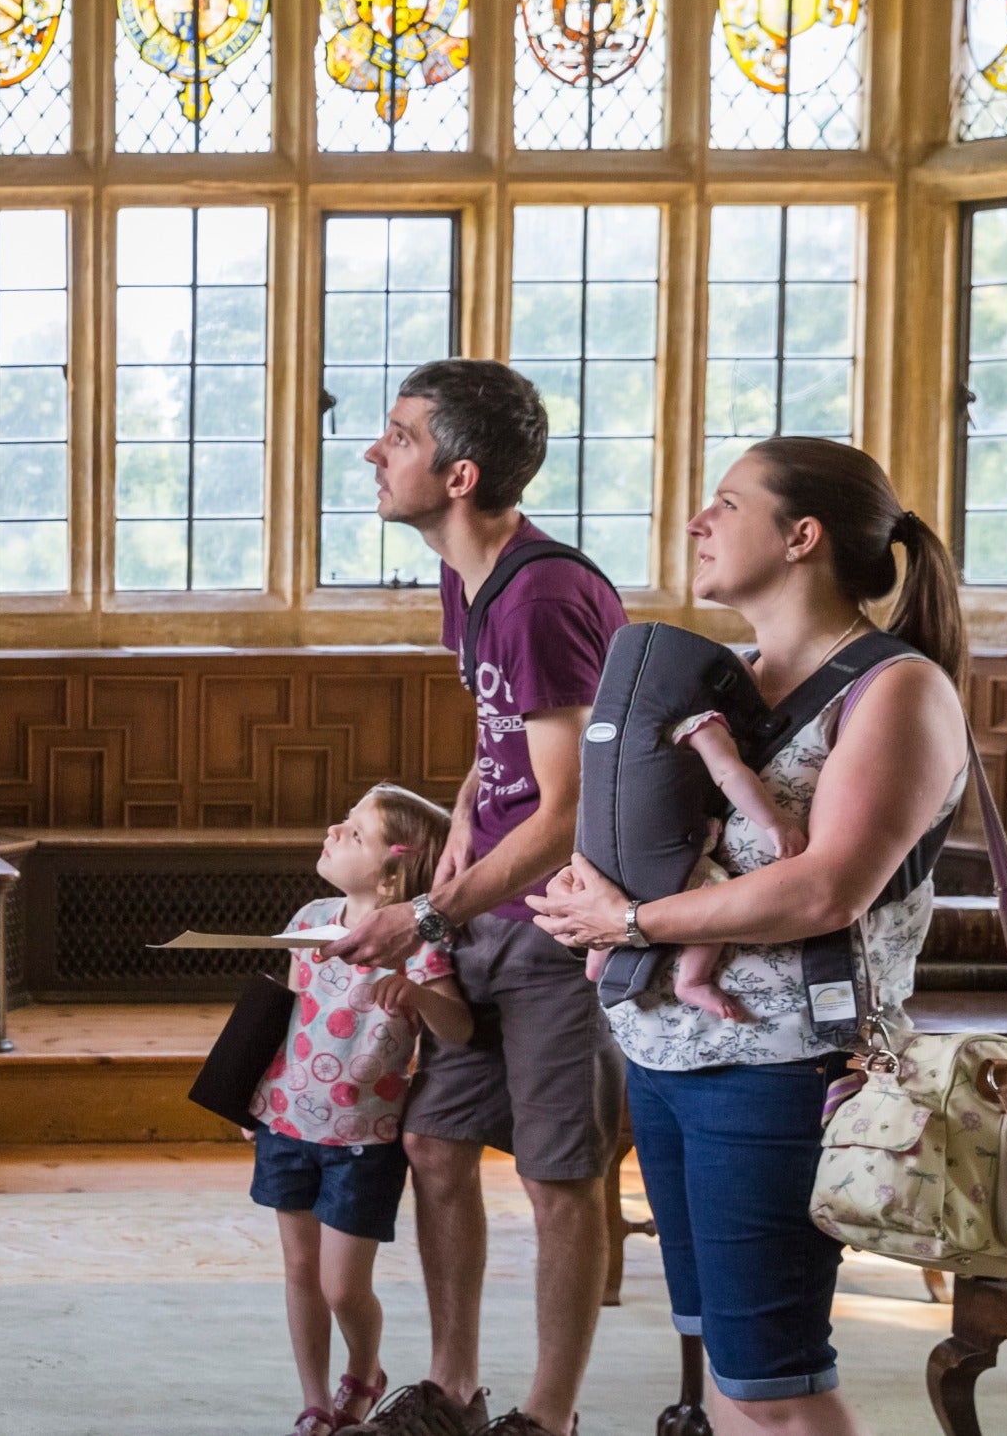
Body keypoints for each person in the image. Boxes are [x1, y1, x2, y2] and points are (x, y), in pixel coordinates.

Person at [533, 440, 971, 1436]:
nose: (697, 521)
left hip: (784, 1065)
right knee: (730, 1374)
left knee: (777, 1387)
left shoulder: (895, 687)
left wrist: (632, 920)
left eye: (725, 503)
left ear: (801, 535)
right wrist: (588, 885)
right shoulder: (715, 676)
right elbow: (646, 834)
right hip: (668, 1051)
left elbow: (825, 886)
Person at [327, 360, 629, 1436]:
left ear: (458, 474)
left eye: (397, 436)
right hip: (480, 910)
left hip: (553, 927)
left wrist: (430, 914)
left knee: (558, 1177)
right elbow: (502, 746)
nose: (373, 451)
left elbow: (569, 810)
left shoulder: (547, 592)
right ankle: (452, 1394)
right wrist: (456, 829)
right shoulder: (471, 579)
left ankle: (547, 1417)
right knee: (437, 1144)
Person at [256, 785, 476, 1436]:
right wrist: (252, 1091)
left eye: (354, 832)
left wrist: (415, 991)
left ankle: (365, 1369)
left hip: (362, 1138)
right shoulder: (311, 917)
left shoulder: (417, 941)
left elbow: (460, 1027)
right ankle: (316, 1399)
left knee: (342, 1286)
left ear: (392, 867)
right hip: (287, 1122)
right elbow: (283, 1010)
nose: (333, 829)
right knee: (300, 1269)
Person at [582, 710, 809, 1024]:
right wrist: (774, 822)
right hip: (669, 851)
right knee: (712, 896)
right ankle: (693, 979)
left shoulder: (610, 724)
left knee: (609, 898)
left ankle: (598, 960)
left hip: (607, 851)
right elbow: (728, 773)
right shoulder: (696, 721)